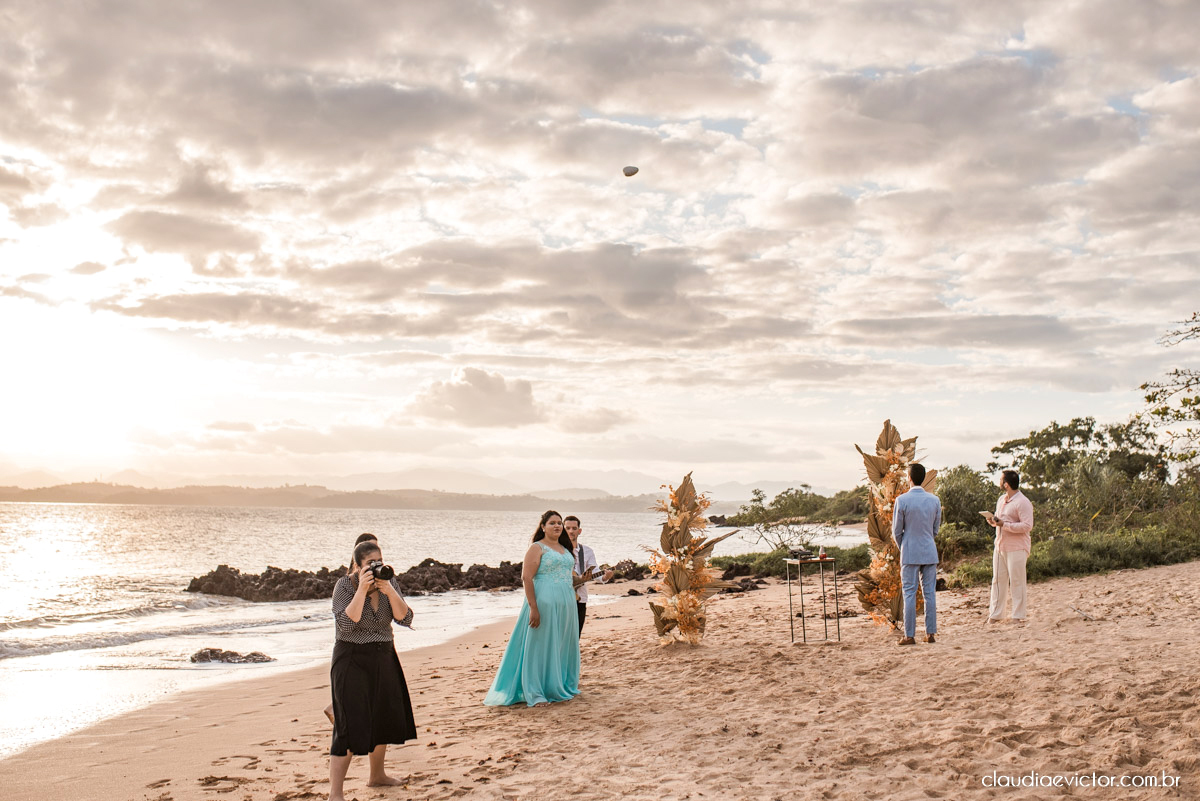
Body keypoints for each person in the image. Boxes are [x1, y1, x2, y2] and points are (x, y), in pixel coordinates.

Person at [328, 539, 417, 801]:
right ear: (357, 565)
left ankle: (377, 776)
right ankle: (336, 794)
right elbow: (345, 625)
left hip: (384, 655)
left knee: (383, 717)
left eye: (378, 562)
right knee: (347, 726)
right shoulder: (344, 585)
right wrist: (362, 590)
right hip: (351, 658)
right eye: (370, 564)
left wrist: (389, 590)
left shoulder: (389, 582)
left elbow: (406, 618)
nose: (376, 567)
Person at [483, 510, 581, 707]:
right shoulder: (537, 548)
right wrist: (533, 607)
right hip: (544, 600)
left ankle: (558, 685)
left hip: (566, 602)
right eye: (552, 523)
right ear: (543, 526)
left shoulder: (565, 548)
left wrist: (591, 580)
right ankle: (535, 692)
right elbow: (527, 578)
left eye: (559, 523)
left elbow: (570, 577)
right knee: (540, 645)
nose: (557, 526)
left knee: (561, 644)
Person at [325, 532, 379, 726]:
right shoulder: (347, 582)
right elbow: (345, 623)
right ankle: (335, 708)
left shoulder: (381, 580)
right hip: (351, 645)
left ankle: (335, 707)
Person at [892, 463, 941, 646]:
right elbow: (935, 529)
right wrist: (927, 539)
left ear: (909, 478)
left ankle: (909, 635)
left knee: (910, 593)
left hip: (909, 551)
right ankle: (930, 633)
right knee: (930, 594)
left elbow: (896, 531)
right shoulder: (934, 500)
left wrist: (903, 545)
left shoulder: (902, 500)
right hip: (929, 550)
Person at [987, 470, 1034, 625]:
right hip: (1000, 545)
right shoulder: (1001, 500)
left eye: (1001, 480)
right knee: (998, 580)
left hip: (1017, 547)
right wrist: (994, 522)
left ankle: (1018, 614)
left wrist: (1004, 525)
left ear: (1006, 484)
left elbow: (1027, 526)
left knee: (1017, 580)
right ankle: (996, 613)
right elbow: (1000, 519)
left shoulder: (1023, 502)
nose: (1000, 482)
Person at [564, 515, 614, 634]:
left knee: (576, 634)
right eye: (568, 528)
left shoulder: (587, 551)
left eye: (574, 528)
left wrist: (605, 576)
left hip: (580, 598)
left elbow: (595, 571)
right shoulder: (557, 550)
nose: (571, 531)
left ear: (579, 531)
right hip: (562, 598)